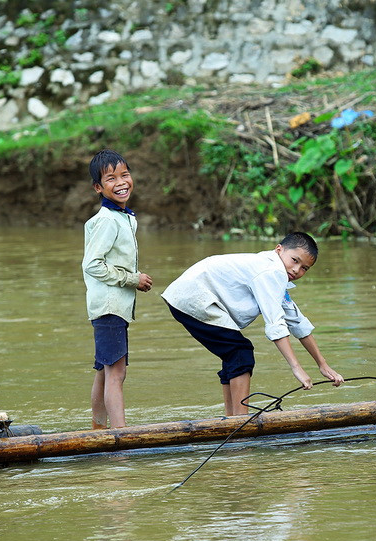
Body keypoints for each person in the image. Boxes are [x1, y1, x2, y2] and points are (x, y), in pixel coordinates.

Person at [162, 232, 344, 416]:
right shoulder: (271, 271)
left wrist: (322, 364)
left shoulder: (274, 273)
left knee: (233, 353)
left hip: (188, 296)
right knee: (240, 352)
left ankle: (231, 418)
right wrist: (296, 367)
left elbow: (297, 322)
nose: (297, 270)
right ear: (279, 249)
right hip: (193, 296)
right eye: (294, 260)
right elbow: (276, 324)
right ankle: (240, 422)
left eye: (304, 268)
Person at [82, 149, 153, 429]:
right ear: (98, 188)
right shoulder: (108, 221)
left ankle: (99, 428)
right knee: (116, 373)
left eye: (125, 175)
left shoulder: (124, 217)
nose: (121, 182)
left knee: (104, 371)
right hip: (110, 306)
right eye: (111, 178)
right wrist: (132, 279)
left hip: (111, 307)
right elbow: (92, 264)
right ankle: (119, 437)